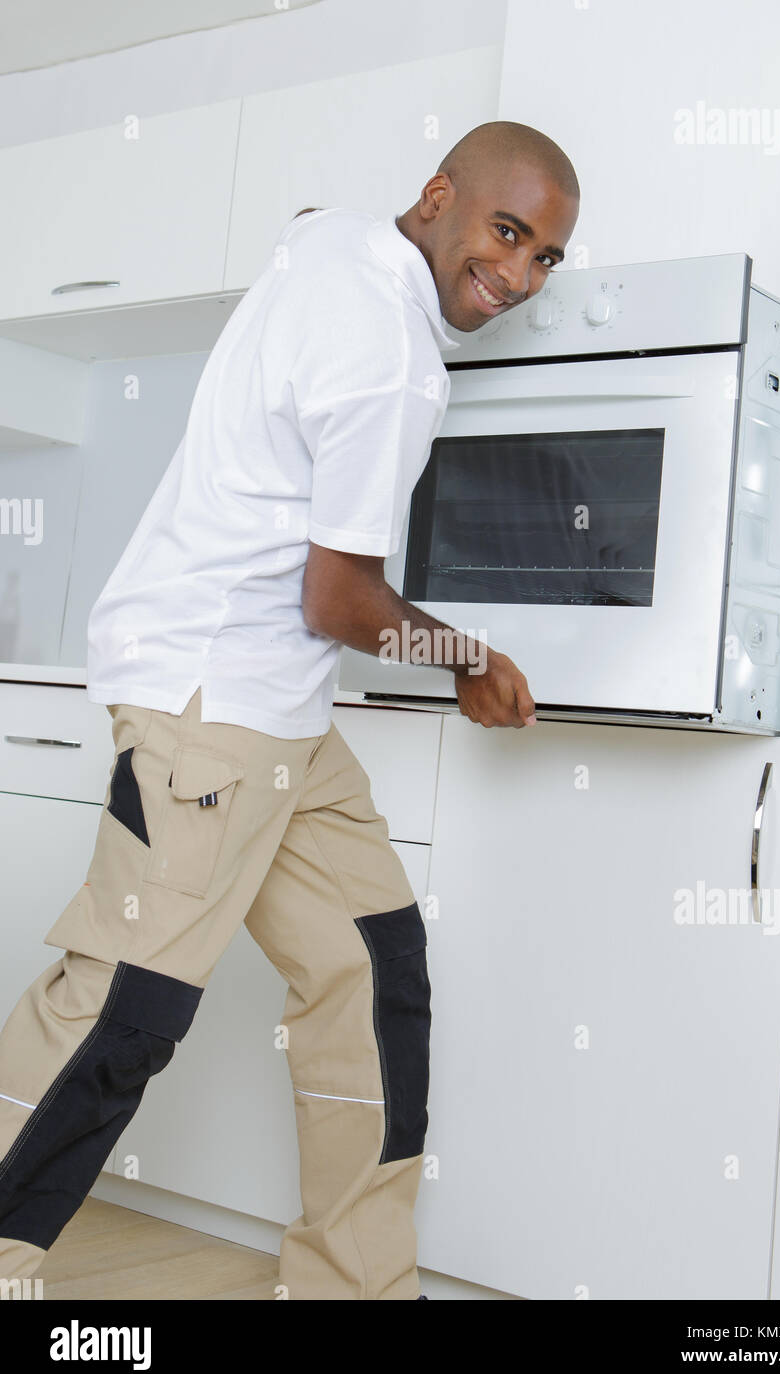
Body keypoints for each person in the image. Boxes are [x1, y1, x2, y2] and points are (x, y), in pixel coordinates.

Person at [0, 120, 579, 1300]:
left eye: (544, 258)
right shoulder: (390, 356)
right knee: (125, 1005)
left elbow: (310, 225)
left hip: (282, 719)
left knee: (372, 968)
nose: (516, 277)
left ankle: (352, 1286)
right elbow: (339, 597)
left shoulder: (330, 250)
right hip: (213, 700)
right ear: (437, 197)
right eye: (506, 233)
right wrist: (465, 657)